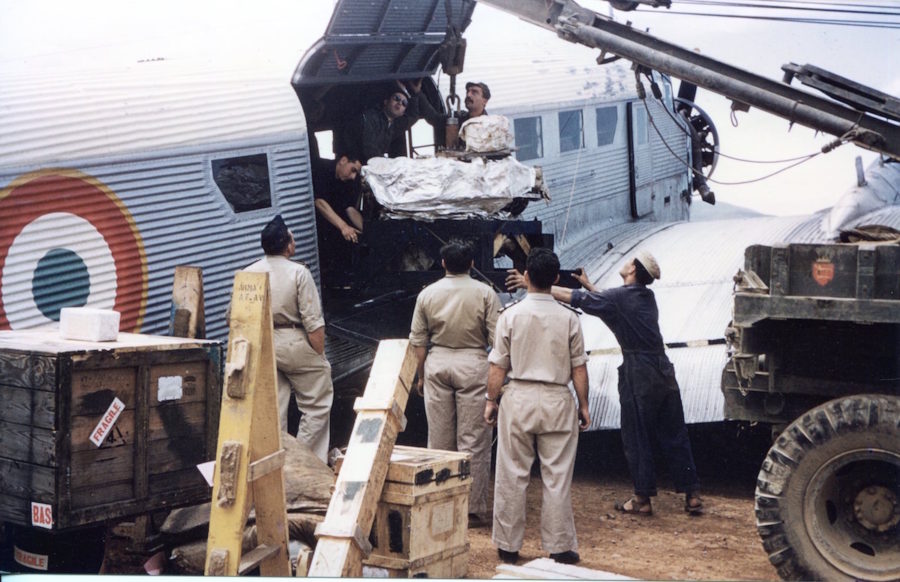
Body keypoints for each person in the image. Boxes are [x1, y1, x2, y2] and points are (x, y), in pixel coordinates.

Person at [508, 251, 702, 516]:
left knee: (636, 435)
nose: (626, 261)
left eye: (630, 260)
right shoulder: (646, 297)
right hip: (663, 369)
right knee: (674, 431)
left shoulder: (620, 298)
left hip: (639, 371)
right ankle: (691, 494)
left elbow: (575, 298)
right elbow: (611, 303)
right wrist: (589, 286)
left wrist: (533, 285)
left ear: (633, 269)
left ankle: (642, 499)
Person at [485, 248, 590, 566]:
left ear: (526, 276)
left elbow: (497, 368)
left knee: (512, 473)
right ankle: (560, 546)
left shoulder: (510, 315)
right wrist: (583, 404)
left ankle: (508, 545)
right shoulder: (569, 318)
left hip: (518, 398)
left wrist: (491, 400)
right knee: (557, 475)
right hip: (558, 398)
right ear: (556, 279)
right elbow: (579, 369)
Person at [408, 240, 501, 528]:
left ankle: (440, 503)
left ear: (443, 264)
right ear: (472, 264)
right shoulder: (486, 293)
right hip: (473, 363)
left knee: (439, 439)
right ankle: (472, 509)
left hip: (438, 363)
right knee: (473, 439)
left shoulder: (428, 294)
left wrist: (421, 375)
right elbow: (497, 340)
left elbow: (418, 342)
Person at [243, 215, 333, 463]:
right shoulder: (299, 273)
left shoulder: (249, 272)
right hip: (293, 340)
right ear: (288, 245)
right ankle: (304, 460)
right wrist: (319, 356)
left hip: (262, 342)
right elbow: (313, 321)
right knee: (317, 402)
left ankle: (276, 465)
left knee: (274, 407)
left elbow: (237, 316)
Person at [312, 154, 363, 244]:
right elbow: (319, 202)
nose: (353, 177)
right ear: (343, 160)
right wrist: (344, 226)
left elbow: (350, 209)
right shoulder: (321, 168)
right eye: (353, 170)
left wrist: (365, 230)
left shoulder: (347, 183)